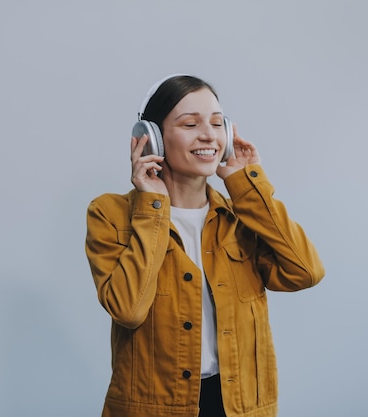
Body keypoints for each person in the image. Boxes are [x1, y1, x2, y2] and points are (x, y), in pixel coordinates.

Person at [85, 74, 325, 417]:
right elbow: (128, 309)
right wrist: (153, 207)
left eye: (216, 123)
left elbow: (305, 271)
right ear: (152, 139)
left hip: (237, 406)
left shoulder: (241, 216)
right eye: (190, 124)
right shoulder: (110, 215)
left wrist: (248, 186)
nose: (208, 135)